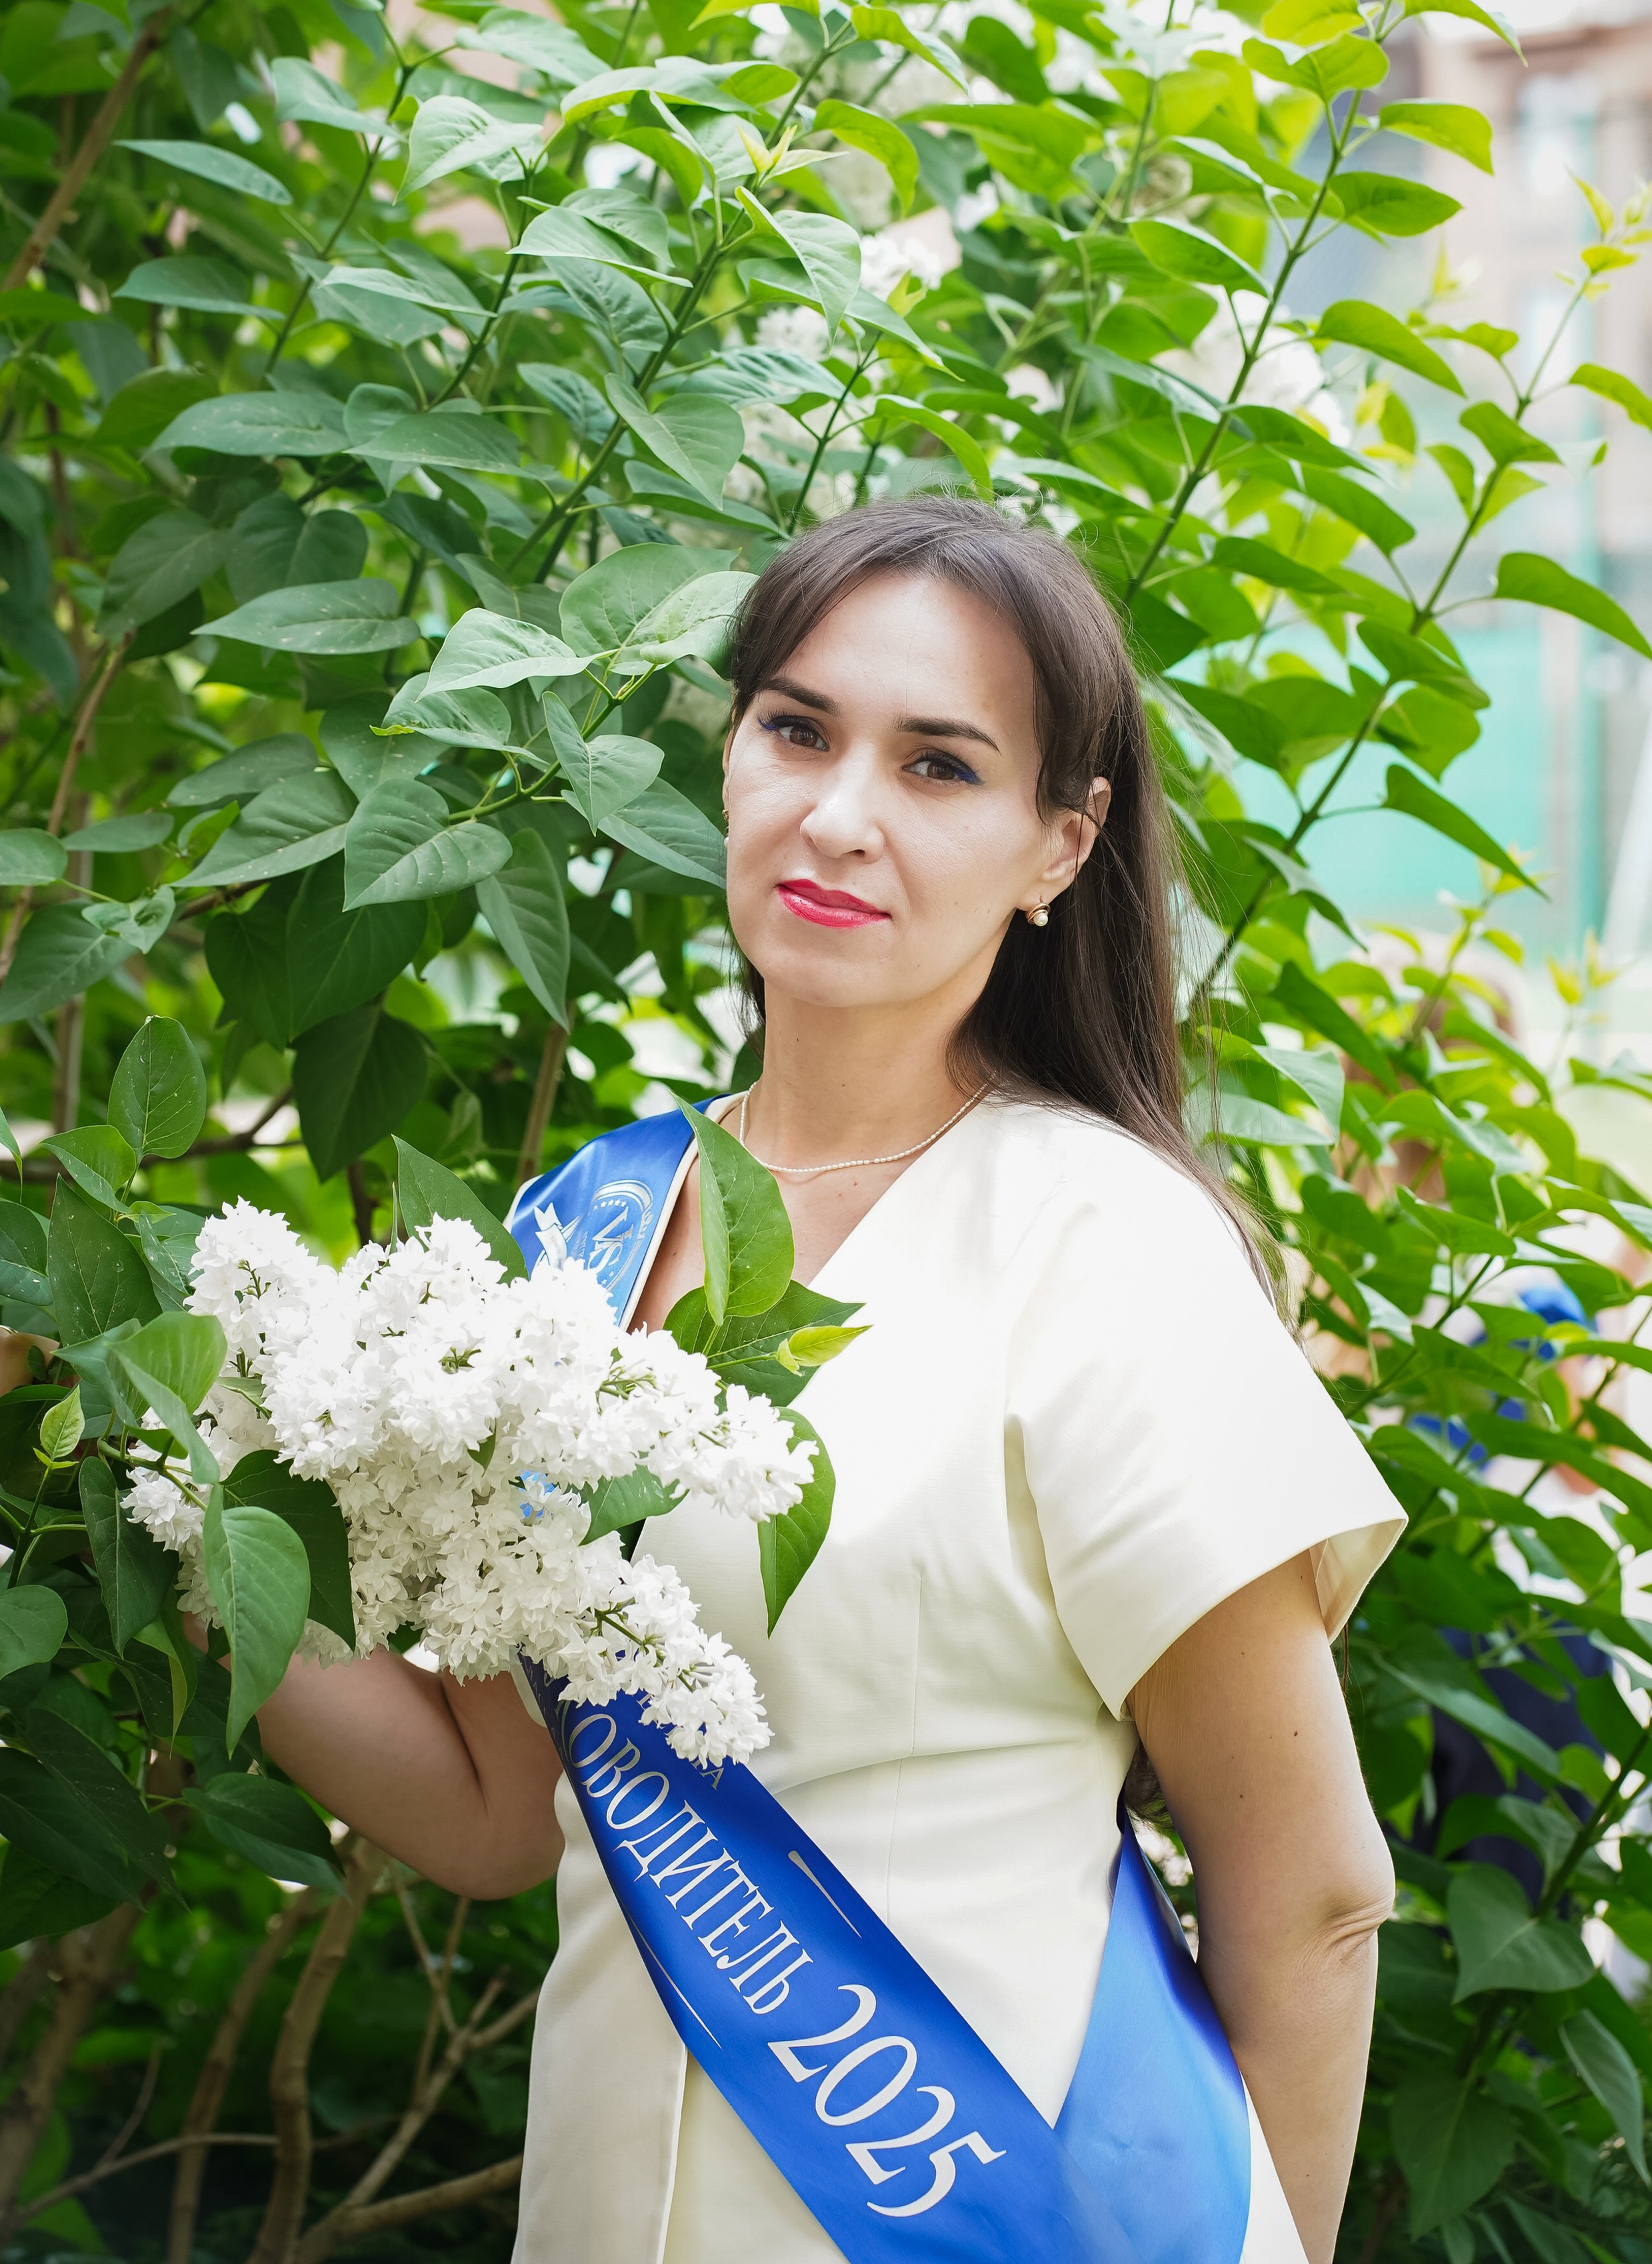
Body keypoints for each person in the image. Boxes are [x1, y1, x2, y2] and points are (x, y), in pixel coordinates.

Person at [246, 501, 1405, 2264]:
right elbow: (493, 1807)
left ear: (1058, 846)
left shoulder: (1108, 1251)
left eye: (940, 767)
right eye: (797, 730)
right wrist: (184, 1499)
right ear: (730, 757)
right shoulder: (587, 1235)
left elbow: (1312, 1896)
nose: (839, 815)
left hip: (1009, 2215)